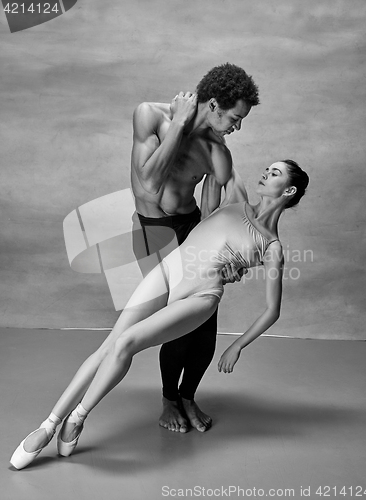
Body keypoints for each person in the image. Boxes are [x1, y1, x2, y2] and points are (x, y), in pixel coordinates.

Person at [10, 159, 309, 470]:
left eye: (275, 173)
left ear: (288, 189)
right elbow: (219, 150)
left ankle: (78, 417)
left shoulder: (272, 246)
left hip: (200, 296)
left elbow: (273, 310)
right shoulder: (236, 198)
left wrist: (237, 345)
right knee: (109, 345)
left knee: (127, 343)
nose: (265, 173)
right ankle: (48, 425)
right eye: (268, 168)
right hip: (170, 270)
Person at [131, 63, 260, 433]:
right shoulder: (151, 116)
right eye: (235, 118)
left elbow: (234, 196)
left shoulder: (215, 148)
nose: (237, 127)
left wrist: (235, 255)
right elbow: (151, 181)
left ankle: (188, 396)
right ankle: (169, 400)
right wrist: (180, 123)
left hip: (191, 226)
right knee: (178, 325)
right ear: (215, 104)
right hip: (155, 230)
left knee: (205, 322)